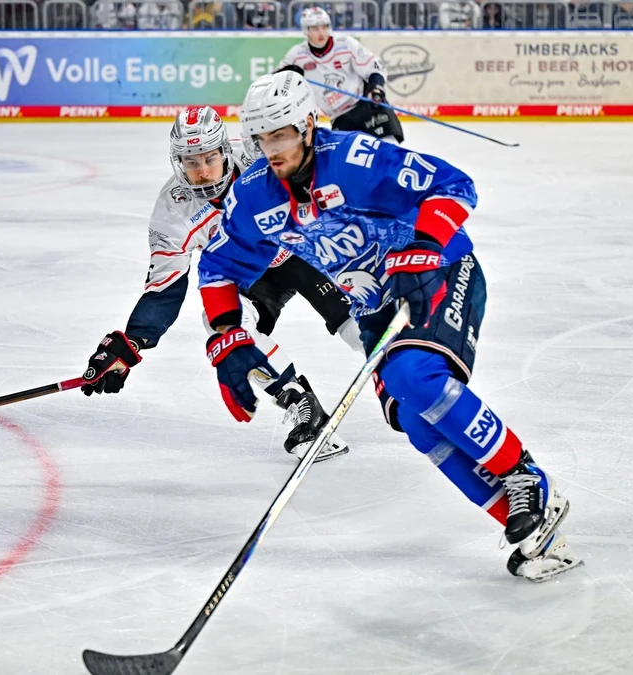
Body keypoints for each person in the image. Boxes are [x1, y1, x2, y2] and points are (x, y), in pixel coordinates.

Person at [195, 72, 582, 582]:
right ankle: (531, 531)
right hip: (375, 307)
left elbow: (454, 185)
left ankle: (524, 476)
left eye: (282, 135)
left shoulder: (355, 159)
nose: (272, 149)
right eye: (262, 138)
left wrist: (422, 250)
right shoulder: (253, 199)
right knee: (416, 420)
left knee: (413, 379)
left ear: (308, 126)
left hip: (438, 271)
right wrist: (227, 338)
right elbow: (218, 267)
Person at [80, 106, 360, 462]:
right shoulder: (173, 210)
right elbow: (165, 283)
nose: (201, 171)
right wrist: (132, 340)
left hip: (304, 251)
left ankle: (418, 373)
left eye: (209, 158)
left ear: (227, 151)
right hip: (250, 274)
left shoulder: (261, 157)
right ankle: (302, 404)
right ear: (177, 163)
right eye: (190, 162)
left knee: (358, 330)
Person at [279, 7, 404, 143]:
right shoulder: (297, 55)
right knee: (350, 162)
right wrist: (289, 76)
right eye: (315, 28)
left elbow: (374, 67)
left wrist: (376, 86)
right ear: (306, 30)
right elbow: (277, 81)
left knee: (388, 153)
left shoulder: (346, 45)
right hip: (341, 118)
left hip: (366, 106)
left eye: (325, 27)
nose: (321, 32)